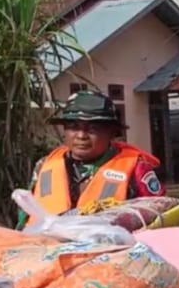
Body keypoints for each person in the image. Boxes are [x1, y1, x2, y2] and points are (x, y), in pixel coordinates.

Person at [20, 91, 165, 227]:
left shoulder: (137, 168)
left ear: (112, 133)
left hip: (111, 248)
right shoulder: (44, 165)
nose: (81, 136)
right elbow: (25, 217)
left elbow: (160, 215)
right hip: (47, 246)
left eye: (92, 129)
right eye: (73, 127)